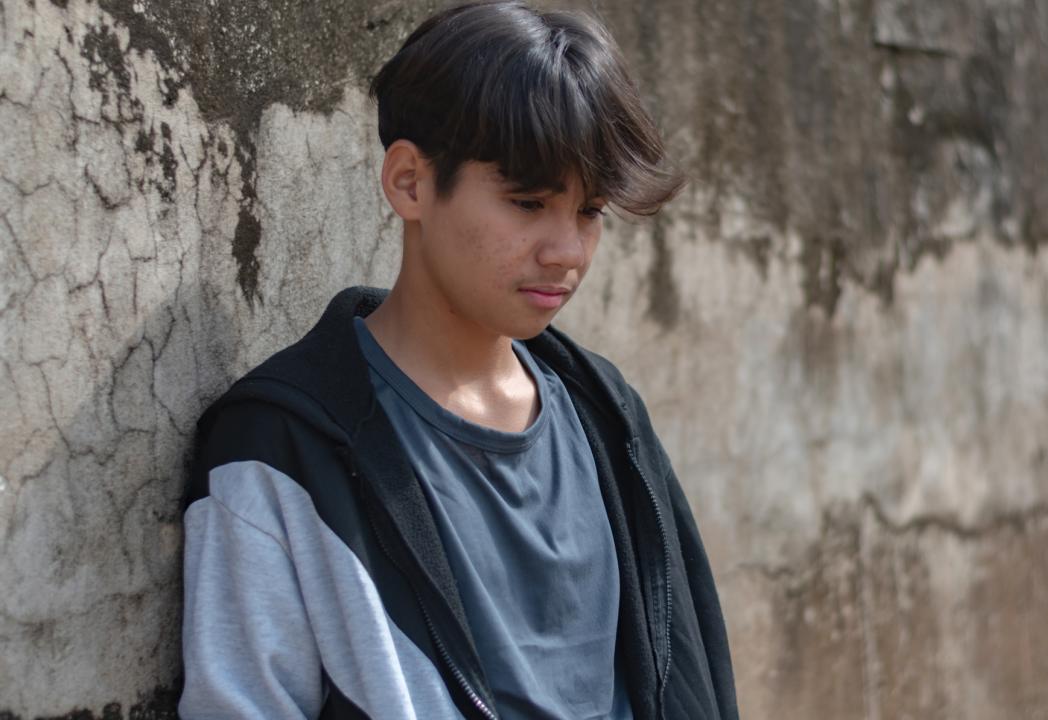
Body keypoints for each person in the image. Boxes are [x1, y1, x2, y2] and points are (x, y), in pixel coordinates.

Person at [179, 2, 738, 718]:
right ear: (410, 182)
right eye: (528, 201)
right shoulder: (284, 446)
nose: (567, 250)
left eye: (590, 212)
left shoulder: (606, 416)